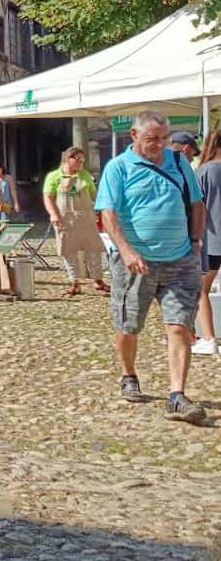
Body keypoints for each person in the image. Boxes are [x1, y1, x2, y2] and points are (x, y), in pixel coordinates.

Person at [95, 109, 207, 424]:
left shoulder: (179, 162)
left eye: (163, 138)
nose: (159, 144)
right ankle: (129, 374)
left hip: (180, 259)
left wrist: (195, 243)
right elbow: (108, 214)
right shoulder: (118, 168)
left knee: (180, 327)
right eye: (151, 139)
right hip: (135, 264)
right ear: (134, 136)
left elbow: (197, 203)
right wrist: (126, 251)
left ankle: (176, 395)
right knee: (128, 327)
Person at [42, 146, 108, 297]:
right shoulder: (53, 176)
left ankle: (98, 280)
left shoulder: (85, 175)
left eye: (82, 159)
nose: (81, 162)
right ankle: (74, 283)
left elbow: (94, 195)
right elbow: (48, 197)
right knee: (68, 251)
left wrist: (100, 211)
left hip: (86, 219)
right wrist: (53, 214)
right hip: (65, 219)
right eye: (77, 159)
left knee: (94, 250)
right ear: (67, 159)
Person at [191, 130, 221, 355]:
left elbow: (194, 207)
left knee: (200, 290)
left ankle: (209, 337)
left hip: (211, 239)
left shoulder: (204, 171)